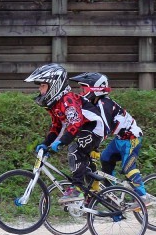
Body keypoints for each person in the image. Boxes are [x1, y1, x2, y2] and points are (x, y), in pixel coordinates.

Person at [25, 64, 105, 204]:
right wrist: (46, 144)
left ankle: (78, 189)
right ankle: (93, 193)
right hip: (84, 128)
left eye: (42, 85)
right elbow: (57, 126)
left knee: (74, 150)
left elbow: (76, 123)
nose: (39, 89)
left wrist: (62, 142)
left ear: (54, 85)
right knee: (83, 164)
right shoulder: (55, 104)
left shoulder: (67, 99)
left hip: (94, 127)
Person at [69, 72, 153, 207]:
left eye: (83, 89)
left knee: (128, 168)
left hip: (132, 138)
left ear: (95, 90)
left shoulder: (104, 104)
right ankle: (110, 192)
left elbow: (104, 129)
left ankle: (143, 197)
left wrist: (93, 146)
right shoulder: (95, 103)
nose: (81, 92)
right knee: (105, 159)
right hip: (120, 139)